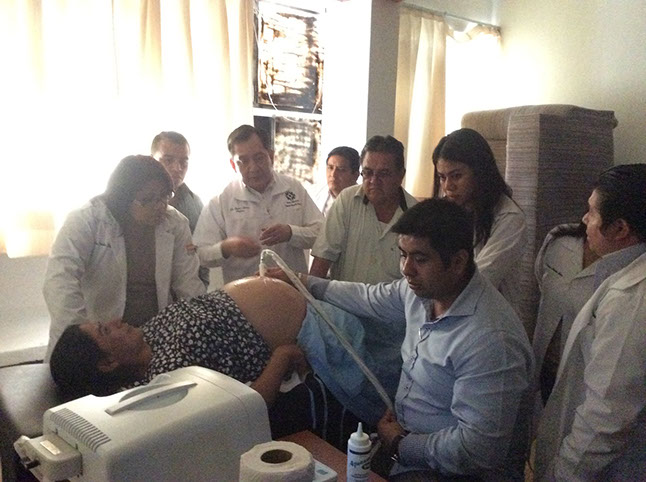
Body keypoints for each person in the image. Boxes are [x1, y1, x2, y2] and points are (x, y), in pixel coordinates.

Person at [286, 198, 533, 479]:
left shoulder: (490, 339)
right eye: (403, 254)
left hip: (454, 472)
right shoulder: (422, 293)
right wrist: (305, 282)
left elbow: (477, 450)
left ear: (458, 262)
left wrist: (401, 444)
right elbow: (369, 298)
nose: (406, 269)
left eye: (420, 259)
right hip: (405, 446)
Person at [49, 275, 403, 439]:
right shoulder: (164, 384)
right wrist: (282, 357)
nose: (114, 321)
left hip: (315, 310)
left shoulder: (147, 332)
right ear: (107, 363)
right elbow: (244, 405)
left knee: (403, 340)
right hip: (314, 335)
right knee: (399, 386)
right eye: (104, 331)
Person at [534, 164, 646, 481]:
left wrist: (562, 474)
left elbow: (607, 417)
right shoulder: (621, 275)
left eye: (593, 212)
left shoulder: (631, 298)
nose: (584, 219)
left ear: (620, 229)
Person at [43, 155, 205, 360]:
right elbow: (59, 282)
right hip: (101, 339)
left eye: (165, 196)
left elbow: (188, 284)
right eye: (147, 199)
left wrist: (204, 322)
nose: (159, 206)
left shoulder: (176, 223)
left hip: (154, 335)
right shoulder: (86, 220)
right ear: (123, 198)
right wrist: (84, 342)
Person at [193, 125, 323, 284]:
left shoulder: (293, 188)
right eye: (243, 161)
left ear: (271, 156)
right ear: (233, 165)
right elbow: (200, 254)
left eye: (259, 158)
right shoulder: (221, 200)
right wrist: (226, 248)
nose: (253, 167)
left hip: (291, 290)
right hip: (243, 294)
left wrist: (291, 233)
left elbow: (321, 234)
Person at [432, 128, 526, 313]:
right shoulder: (445, 211)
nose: (448, 186)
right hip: (446, 311)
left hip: (491, 318)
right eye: (442, 177)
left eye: (456, 176)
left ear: (480, 172)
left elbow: (480, 279)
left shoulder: (510, 218)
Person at [310, 135, 417, 283]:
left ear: (401, 175)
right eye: (368, 172)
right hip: (342, 298)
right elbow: (323, 258)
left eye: (383, 174)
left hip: (394, 299)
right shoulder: (347, 200)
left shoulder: (415, 214)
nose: (373, 181)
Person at [532, 222, 599, 405]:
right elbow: (541, 279)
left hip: (581, 376)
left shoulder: (623, 270)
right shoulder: (559, 240)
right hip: (544, 360)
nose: (586, 217)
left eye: (594, 212)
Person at [151, 131, 208, 287]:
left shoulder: (195, 204)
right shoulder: (136, 204)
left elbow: (200, 253)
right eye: (168, 160)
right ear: (152, 160)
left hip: (188, 291)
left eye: (183, 162)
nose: (177, 168)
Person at [309, 146, 360, 216]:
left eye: (341, 169)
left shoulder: (364, 203)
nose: (333, 174)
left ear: (355, 175)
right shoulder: (312, 194)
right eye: (330, 168)